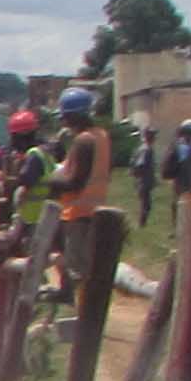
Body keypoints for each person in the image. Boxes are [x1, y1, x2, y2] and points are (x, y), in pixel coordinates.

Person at [51, 84, 111, 303]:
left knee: (77, 267)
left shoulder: (83, 141)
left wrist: (52, 179)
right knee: (82, 264)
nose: (63, 122)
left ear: (71, 116)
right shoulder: (101, 136)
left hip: (79, 210)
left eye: (64, 117)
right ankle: (74, 298)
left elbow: (74, 181)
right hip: (95, 207)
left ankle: (81, 312)